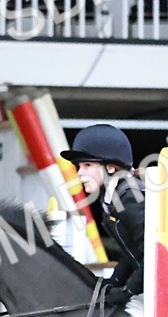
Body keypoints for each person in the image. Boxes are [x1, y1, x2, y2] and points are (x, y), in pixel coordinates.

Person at [61, 123, 146, 297]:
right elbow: (132, 251)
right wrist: (115, 280)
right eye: (79, 167)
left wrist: (129, 289)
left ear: (110, 167)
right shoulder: (111, 197)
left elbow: (152, 252)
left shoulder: (130, 197)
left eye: (87, 165)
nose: (79, 173)